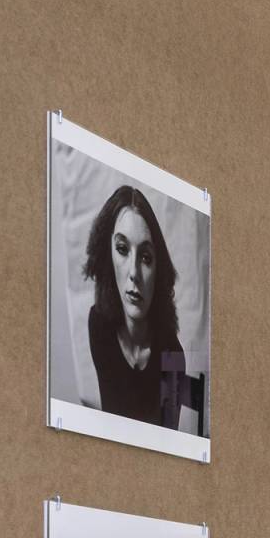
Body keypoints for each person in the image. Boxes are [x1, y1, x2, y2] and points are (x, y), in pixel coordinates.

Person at [80, 185, 194, 431]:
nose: (134, 273)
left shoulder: (173, 358)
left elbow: (168, 445)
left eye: (146, 258)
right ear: (108, 256)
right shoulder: (98, 325)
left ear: (158, 271)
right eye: (122, 249)